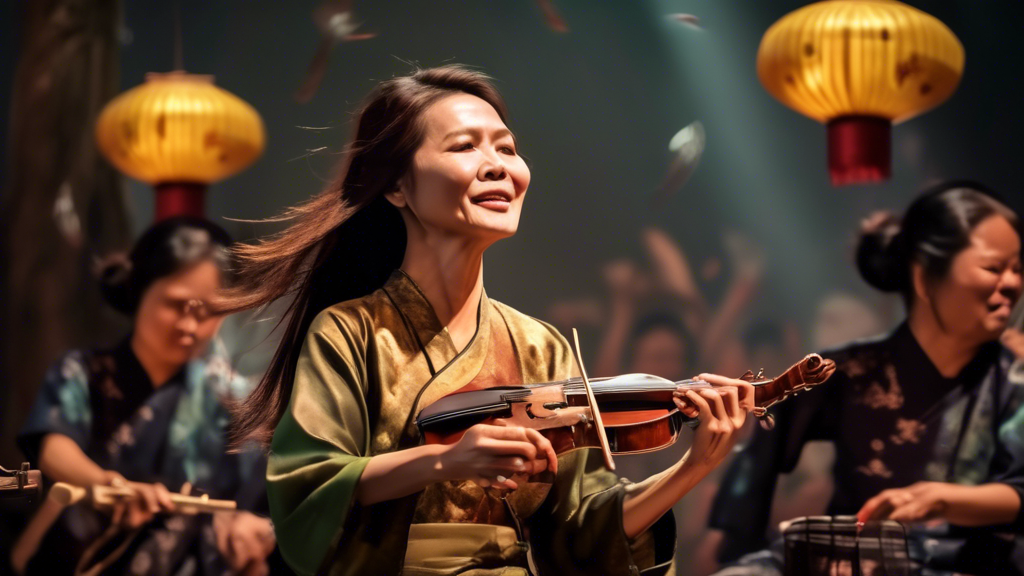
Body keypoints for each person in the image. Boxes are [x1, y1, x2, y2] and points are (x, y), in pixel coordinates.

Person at [222, 65, 756, 576]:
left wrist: (694, 467)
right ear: (397, 186)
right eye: (464, 146)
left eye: (506, 147)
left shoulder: (541, 345)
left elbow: (580, 535)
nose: (499, 164)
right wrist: (445, 460)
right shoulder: (351, 332)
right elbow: (309, 484)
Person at [708, 182, 1024, 575]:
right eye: (994, 268)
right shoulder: (850, 370)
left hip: (967, 561)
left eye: (1017, 269)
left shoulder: (1014, 381)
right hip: (850, 558)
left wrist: (941, 499)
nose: (1011, 284)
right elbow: (765, 441)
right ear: (925, 278)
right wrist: (740, 541)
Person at [13, 217, 276, 576]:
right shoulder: (84, 372)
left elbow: (265, 503)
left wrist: (257, 530)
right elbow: (54, 448)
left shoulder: (233, 399)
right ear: (139, 289)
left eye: (209, 310)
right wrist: (105, 486)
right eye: (175, 304)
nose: (189, 326)